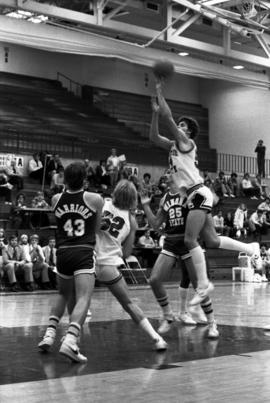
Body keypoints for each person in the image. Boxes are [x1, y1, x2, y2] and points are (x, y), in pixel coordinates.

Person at [150, 79, 261, 305]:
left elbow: (169, 120)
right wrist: (154, 114)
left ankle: (203, 285)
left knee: (191, 240)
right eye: (179, 125)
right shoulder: (173, 146)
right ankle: (250, 248)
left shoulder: (187, 143)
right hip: (194, 194)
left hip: (197, 193)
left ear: (189, 131)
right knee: (210, 239)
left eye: (182, 125)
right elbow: (153, 137)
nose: (178, 127)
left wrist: (161, 94)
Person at [140, 170, 218, 338]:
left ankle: (212, 323)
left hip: (188, 242)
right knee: (154, 280)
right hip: (171, 242)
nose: (165, 176)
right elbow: (155, 225)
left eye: (169, 173)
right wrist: (146, 205)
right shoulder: (165, 198)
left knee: (199, 286)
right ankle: (168, 314)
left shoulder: (189, 192)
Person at [38, 161, 103, 363]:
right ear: (85, 179)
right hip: (83, 251)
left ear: (64, 179)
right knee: (84, 297)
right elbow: (98, 227)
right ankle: (71, 340)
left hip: (63, 252)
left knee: (63, 294)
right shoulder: (95, 199)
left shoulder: (56, 199)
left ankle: (49, 334)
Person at [95, 179, 167, 351]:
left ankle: (63, 337)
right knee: (128, 304)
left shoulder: (102, 203)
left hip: (87, 259)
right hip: (108, 264)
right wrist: (132, 230)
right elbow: (127, 254)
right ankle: (156, 338)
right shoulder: (130, 221)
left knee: (76, 300)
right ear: (132, 199)